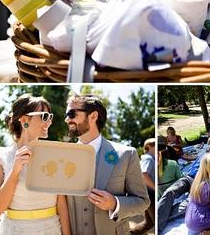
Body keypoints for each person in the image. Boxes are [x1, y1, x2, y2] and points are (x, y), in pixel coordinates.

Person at [64, 94, 149, 234]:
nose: (67, 119)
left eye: (72, 114)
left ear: (93, 116)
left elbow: (143, 202)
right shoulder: (63, 156)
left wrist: (115, 204)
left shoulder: (126, 154)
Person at [0, 94, 71, 235]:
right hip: (13, 230)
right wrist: (15, 171)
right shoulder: (1, 157)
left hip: (51, 230)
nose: (49, 122)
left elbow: (61, 203)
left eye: (50, 116)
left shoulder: (55, 155)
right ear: (24, 119)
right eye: (44, 116)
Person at [157, 141, 210, 233]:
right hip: (188, 179)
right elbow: (192, 167)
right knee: (170, 192)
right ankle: (158, 219)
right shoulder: (203, 156)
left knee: (186, 207)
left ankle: (157, 223)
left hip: (200, 186)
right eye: (209, 150)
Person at [130, 138, 155, 235]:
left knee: (149, 223)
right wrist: (155, 188)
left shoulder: (149, 158)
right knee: (157, 222)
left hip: (147, 194)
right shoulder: (148, 158)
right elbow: (144, 174)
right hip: (150, 194)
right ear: (149, 147)